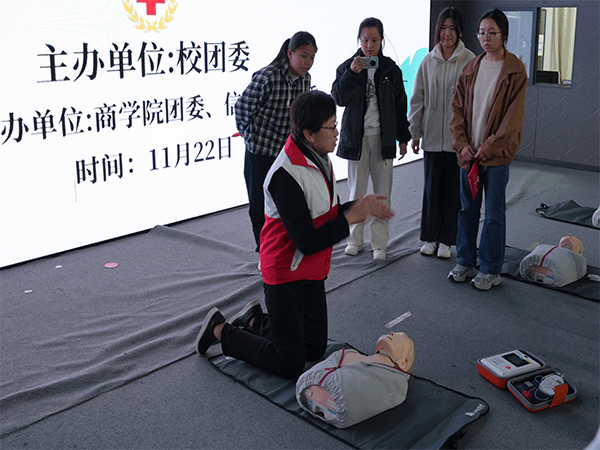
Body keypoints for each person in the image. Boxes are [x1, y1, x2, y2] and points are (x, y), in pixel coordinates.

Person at [196, 90, 395, 379]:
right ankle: (219, 329)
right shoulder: (284, 174)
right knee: (289, 364)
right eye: (331, 126)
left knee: (313, 349)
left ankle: (254, 321)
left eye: (336, 124)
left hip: (311, 270)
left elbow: (326, 213)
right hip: (284, 272)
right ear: (309, 134)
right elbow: (307, 241)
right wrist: (353, 217)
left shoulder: (319, 158)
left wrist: (359, 206)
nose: (337, 133)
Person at [448, 8, 527, 290]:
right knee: (467, 210)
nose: (485, 38)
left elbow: (512, 119)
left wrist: (488, 146)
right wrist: (462, 145)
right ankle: (465, 261)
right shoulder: (471, 68)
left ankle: (491, 268)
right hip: (469, 156)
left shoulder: (515, 70)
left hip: (495, 156)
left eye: (492, 33)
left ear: (504, 35)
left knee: (494, 214)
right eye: (481, 32)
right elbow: (457, 112)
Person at [332, 17, 410, 261]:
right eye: (365, 40)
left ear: (382, 41)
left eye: (374, 40)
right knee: (356, 191)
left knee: (382, 192)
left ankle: (379, 243)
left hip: (382, 139)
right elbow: (338, 98)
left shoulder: (391, 70)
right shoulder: (347, 67)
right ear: (359, 40)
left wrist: (403, 137)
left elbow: (400, 106)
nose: (369, 45)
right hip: (356, 140)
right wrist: (352, 74)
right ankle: (354, 240)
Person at [235, 31, 317, 256]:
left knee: (286, 205)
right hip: (261, 152)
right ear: (290, 53)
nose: (308, 62)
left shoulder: (306, 79)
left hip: (286, 154)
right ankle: (264, 254)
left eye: (312, 57)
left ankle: (284, 250)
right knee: (259, 207)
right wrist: (250, 137)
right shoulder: (268, 76)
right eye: (303, 56)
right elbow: (242, 109)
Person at [409, 7, 475, 260]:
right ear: (438, 31)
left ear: (460, 32)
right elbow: (418, 98)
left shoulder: (469, 60)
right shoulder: (428, 60)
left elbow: (473, 102)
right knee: (431, 190)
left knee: (452, 192)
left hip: (458, 140)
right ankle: (430, 237)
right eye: (443, 28)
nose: (447, 33)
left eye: (452, 29)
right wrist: (415, 132)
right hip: (433, 137)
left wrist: (468, 139)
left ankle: (447, 240)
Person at [296, 332, 414, 428]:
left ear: (403, 363)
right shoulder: (353, 355)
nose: (392, 333)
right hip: (320, 388)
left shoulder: (396, 382)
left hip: (314, 388)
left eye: (400, 338)